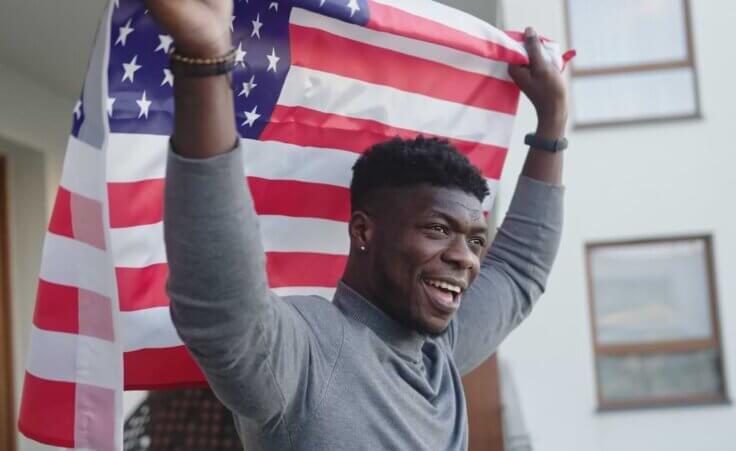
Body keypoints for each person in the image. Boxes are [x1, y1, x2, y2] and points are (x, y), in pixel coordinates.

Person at [150, 0, 567, 449]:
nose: (465, 257)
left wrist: (553, 123)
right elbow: (220, 305)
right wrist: (206, 65)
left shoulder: (438, 353)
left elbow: (520, 269)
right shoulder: (307, 353)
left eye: (476, 239)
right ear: (363, 231)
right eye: (438, 230)